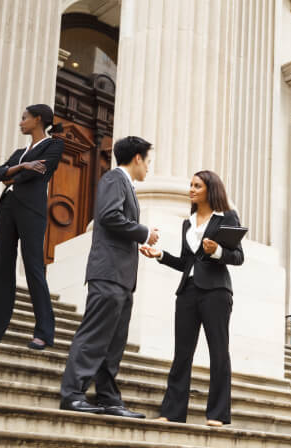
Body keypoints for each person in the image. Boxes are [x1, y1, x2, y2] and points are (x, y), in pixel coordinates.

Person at [58, 136, 159, 416]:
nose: (149, 167)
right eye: (148, 161)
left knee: (114, 343)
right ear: (137, 158)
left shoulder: (126, 184)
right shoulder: (114, 179)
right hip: (108, 273)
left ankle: (107, 397)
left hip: (123, 277)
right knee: (94, 336)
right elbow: (110, 216)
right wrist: (144, 232)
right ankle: (72, 394)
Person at [139, 170, 244, 427]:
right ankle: (173, 412)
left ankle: (218, 414)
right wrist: (160, 254)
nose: (192, 189)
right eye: (191, 185)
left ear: (211, 189)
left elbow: (238, 256)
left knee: (219, 352)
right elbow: (187, 262)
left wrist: (217, 250)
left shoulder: (226, 216)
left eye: (197, 185)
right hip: (187, 291)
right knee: (182, 353)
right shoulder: (189, 221)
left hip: (216, 292)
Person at [0, 104, 66, 350]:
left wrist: (13, 174)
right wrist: (23, 166)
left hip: (31, 210)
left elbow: (41, 171)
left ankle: (44, 333)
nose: (20, 122)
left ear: (37, 119)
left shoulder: (55, 145)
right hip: (7, 208)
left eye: (24, 118)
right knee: (2, 268)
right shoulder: (19, 152)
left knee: (34, 267)